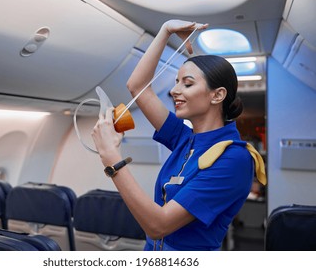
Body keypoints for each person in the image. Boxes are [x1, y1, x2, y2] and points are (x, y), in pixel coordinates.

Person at [91, 20, 266, 251]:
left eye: (187, 84)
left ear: (217, 95)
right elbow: (138, 87)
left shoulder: (235, 159)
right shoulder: (185, 138)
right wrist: (165, 30)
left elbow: (158, 225)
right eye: (176, 82)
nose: (174, 91)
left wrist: (112, 159)